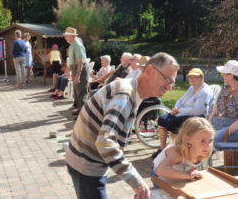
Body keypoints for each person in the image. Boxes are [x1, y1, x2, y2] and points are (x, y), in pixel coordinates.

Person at [65, 52, 179, 199]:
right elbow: (105, 142)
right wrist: (137, 182)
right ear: (150, 71)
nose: (169, 87)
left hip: (87, 161)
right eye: (167, 79)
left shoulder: (132, 90)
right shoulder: (125, 94)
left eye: (172, 83)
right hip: (86, 165)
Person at [153, 68, 213, 159]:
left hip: (197, 117)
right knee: (162, 119)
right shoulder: (192, 87)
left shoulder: (204, 92)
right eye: (190, 77)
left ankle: (178, 151)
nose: (192, 80)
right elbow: (181, 100)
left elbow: (198, 110)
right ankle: (163, 149)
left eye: (195, 78)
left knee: (172, 124)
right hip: (184, 113)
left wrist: (180, 110)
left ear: (202, 79)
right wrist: (176, 108)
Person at [152, 117, 214, 182]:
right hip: (160, 177)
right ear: (188, 139)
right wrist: (188, 176)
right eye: (202, 141)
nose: (207, 146)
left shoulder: (203, 151)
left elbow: (191, 165)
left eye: (210, 140)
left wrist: (192, 171)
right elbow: (160, 170)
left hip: (179, 173)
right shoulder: (177, 153)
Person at [63, 27, 89, 116]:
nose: (65, 37)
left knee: (81, 92)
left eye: (66, 36)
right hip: (76, 68)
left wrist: (78, 75)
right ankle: (79, 110)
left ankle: (83, 115)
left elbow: (81, 61)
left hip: (80, 69)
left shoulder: (78, 45)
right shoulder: (72, 45)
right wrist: (68, 71)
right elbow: (72, 61)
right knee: (77, 91)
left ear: (71, 36)